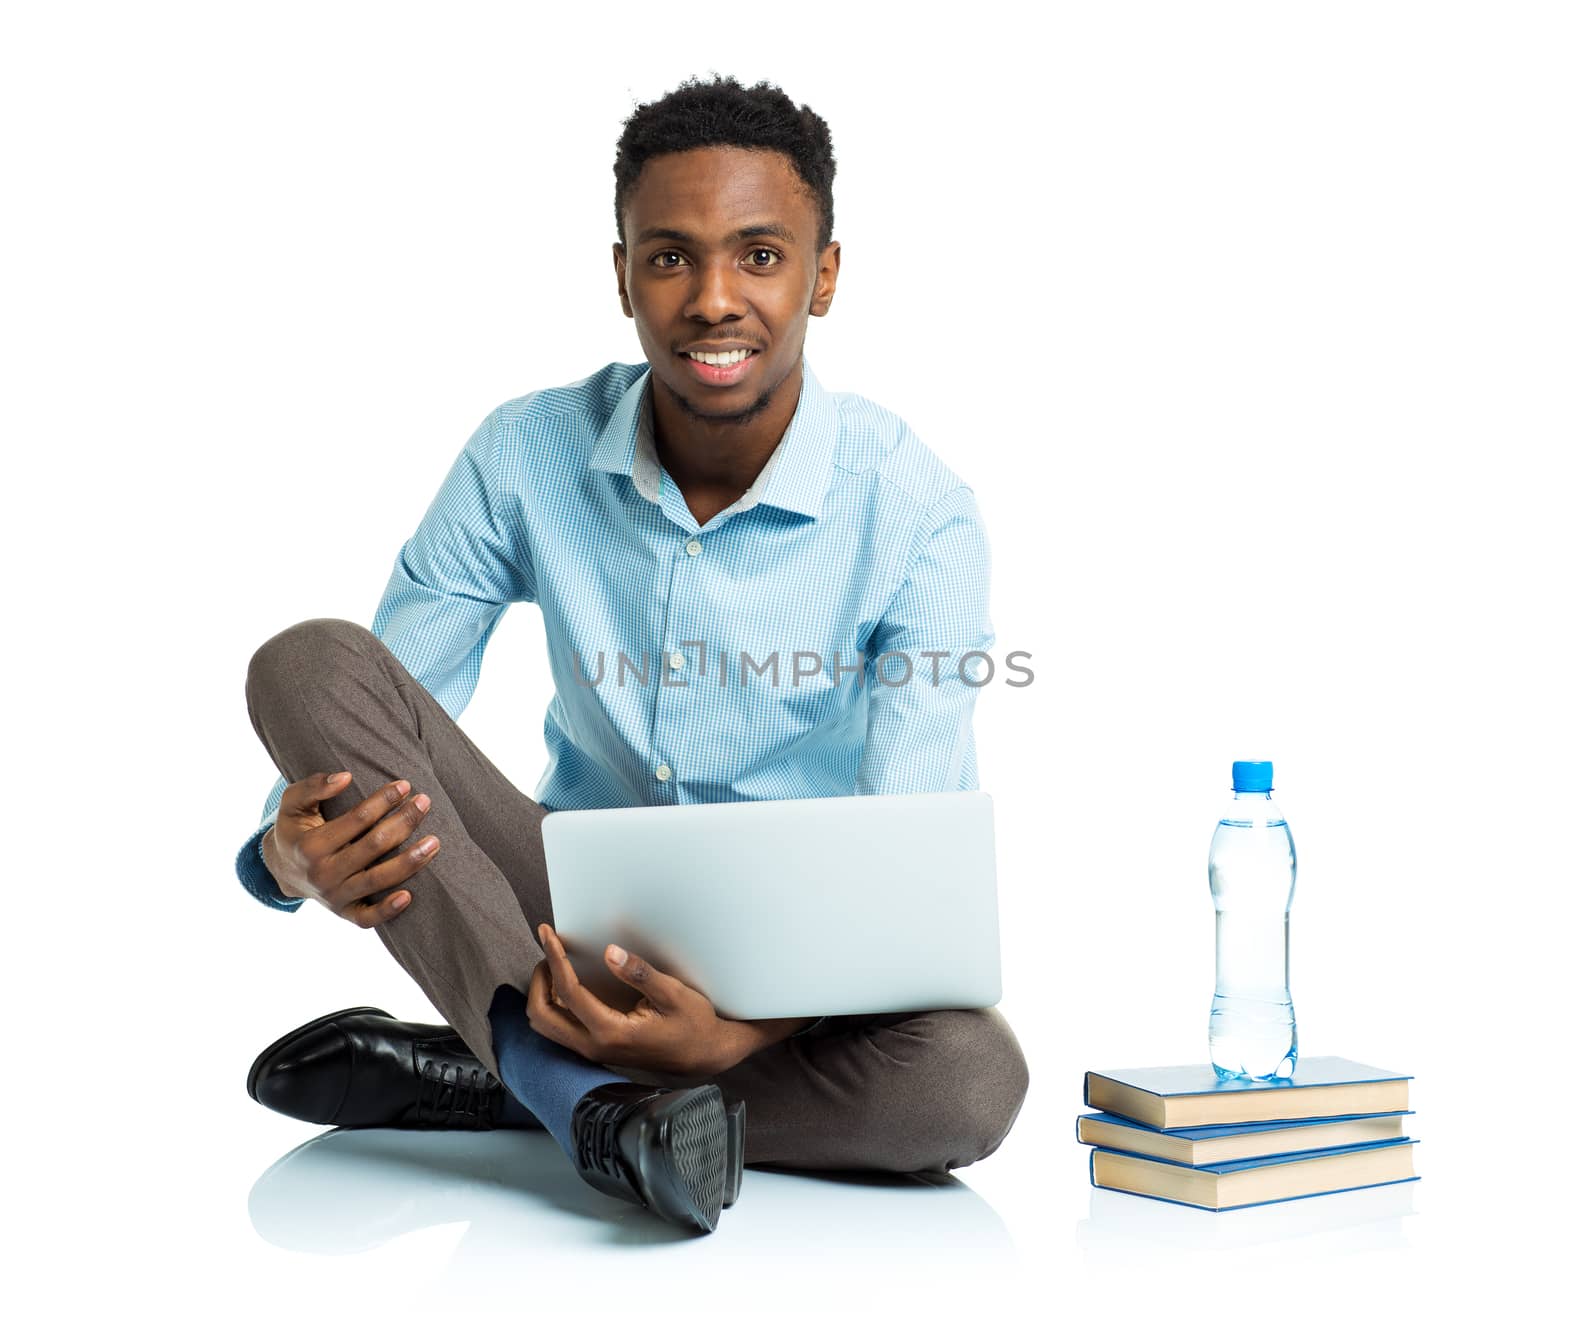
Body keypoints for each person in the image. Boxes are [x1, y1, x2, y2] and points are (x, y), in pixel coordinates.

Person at [238, 74, 1029, 1236]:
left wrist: (744, 1032)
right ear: (621, 275)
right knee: (306, 662)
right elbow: (388, 692)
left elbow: (905, 865)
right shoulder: (523, 453)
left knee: (966, 1083)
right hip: (560, 909)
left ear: (824, 275)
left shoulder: (920, 513)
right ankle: (587, 1098)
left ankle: (509, 1077)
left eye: (760, 256)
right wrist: (285, 858)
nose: (714, 299)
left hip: (797, 965)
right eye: (670, 257)